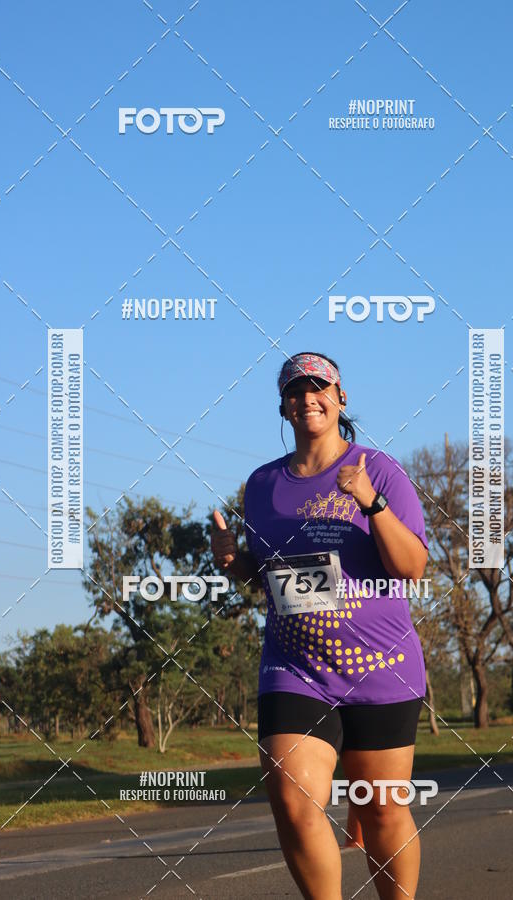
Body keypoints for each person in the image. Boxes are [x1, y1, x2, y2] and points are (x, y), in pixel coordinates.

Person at [211, 351, 428, 900]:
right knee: (291, 797)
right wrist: (230, 562)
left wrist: (371, 503)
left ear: (340, 398)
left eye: (319, 388)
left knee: (381, 810)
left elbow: (411, 568)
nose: (307, 397)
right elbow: (266, 577)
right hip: (295, 665)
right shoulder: (262, 486)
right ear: (283, 407)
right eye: (294, 391)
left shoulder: (380, 470)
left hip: (380, 666)